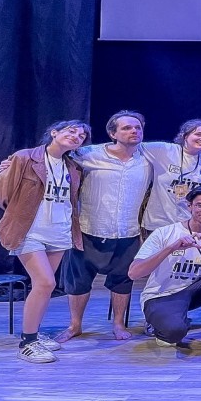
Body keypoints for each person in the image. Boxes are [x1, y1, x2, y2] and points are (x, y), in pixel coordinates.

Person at [0, 120, 91, 363]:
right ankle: (27, 343)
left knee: (42, 287)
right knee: (46, 282)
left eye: (81, 136)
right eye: (71, 131)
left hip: (59, 231)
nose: (76, 136)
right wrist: (16, 213)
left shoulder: (73, 167)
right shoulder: (25, 157)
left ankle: (34, 333)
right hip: (30, 231)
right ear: (54, 133)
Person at [57, 110, 153, 342]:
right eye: (127, 128)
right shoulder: (88, 154)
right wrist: (15, 162)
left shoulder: (149, 158)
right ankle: (75, 325)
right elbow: (52, 155)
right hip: (88, 229)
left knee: (122, 280)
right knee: (79, 281)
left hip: (127, 231)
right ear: (112, 133)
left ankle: (118, 324)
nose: (134, 131)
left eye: (138, 127)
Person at [127, 185, 201, 356]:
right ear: (189, 206)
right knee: (173, 333)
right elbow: (134, 273)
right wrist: (171, 248)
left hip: (195, 292)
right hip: (162, 295)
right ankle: (160, 322)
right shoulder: (165, 233)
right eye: (200, 205)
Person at [140, 119, 201, 235]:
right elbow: (133, 145)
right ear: (185, 135)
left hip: (188, 224)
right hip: (158, 223)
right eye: (198, 134)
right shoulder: (163, 150)